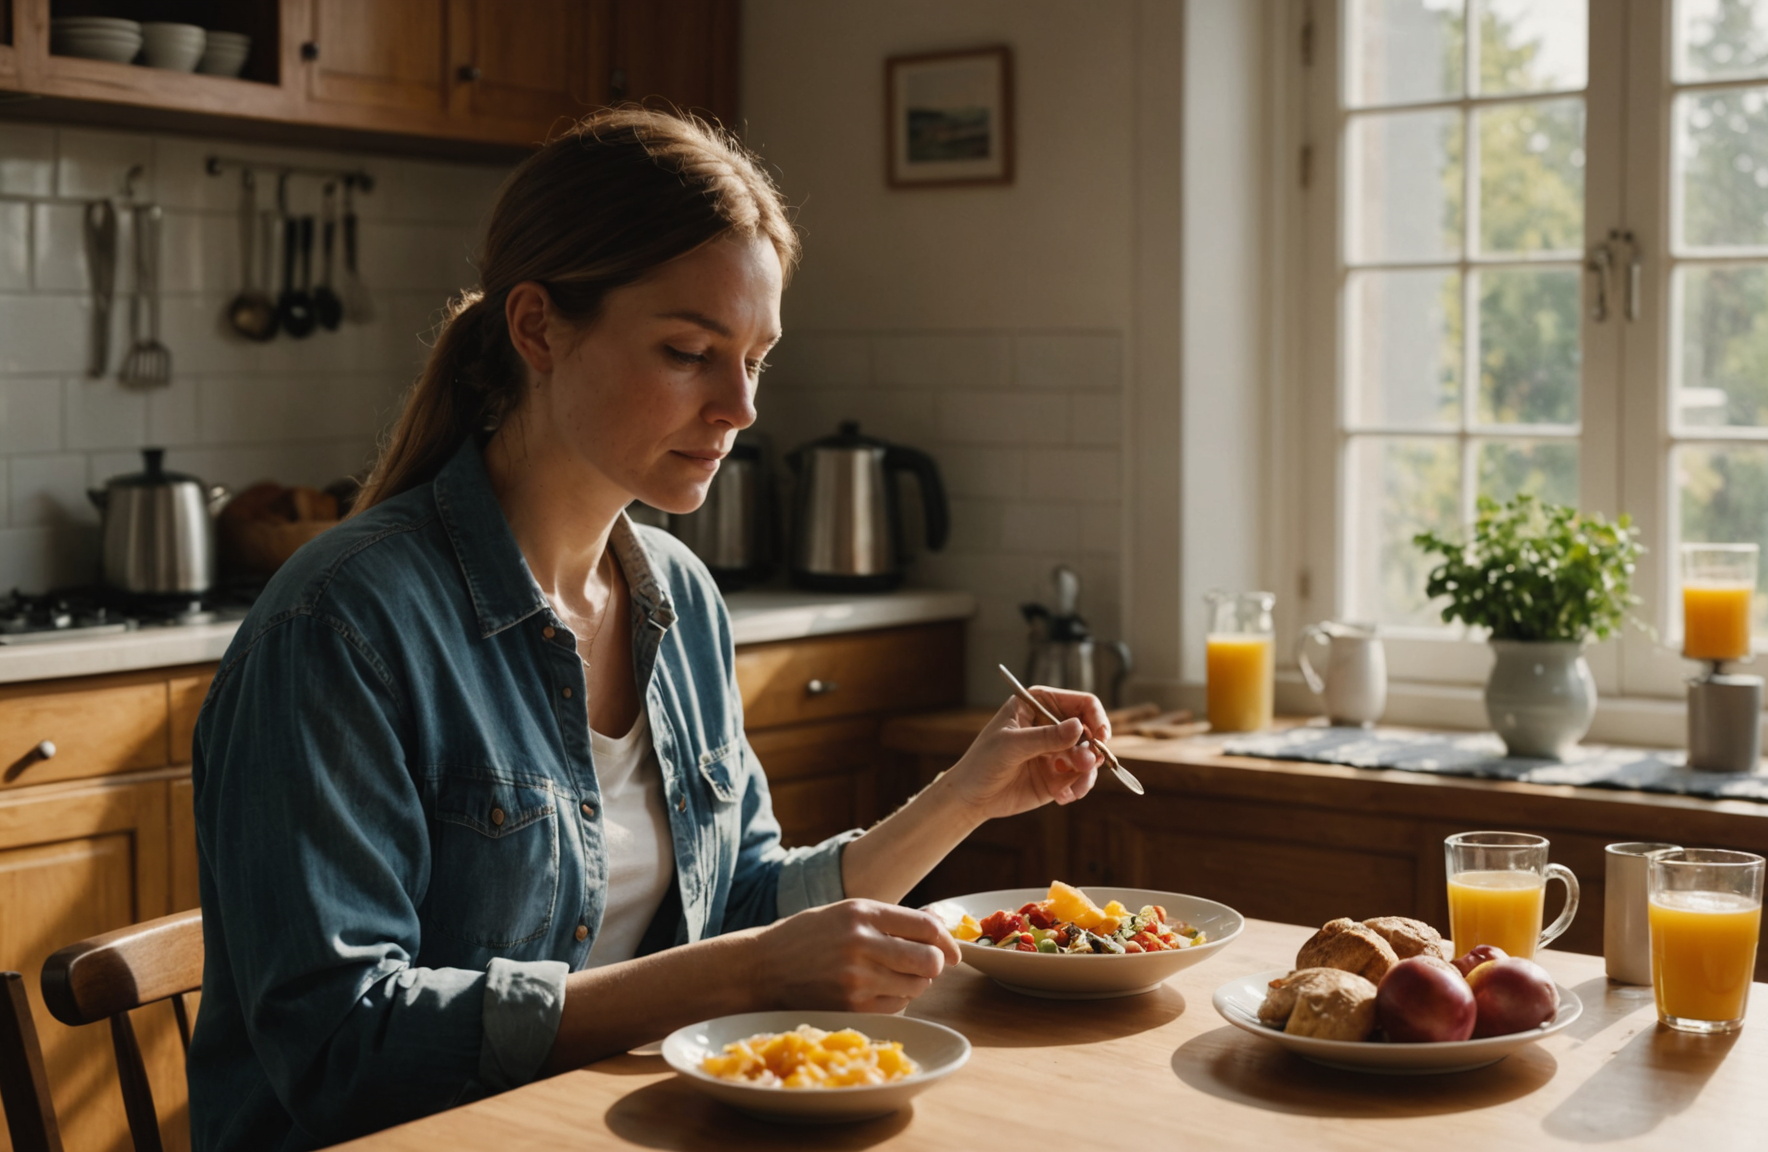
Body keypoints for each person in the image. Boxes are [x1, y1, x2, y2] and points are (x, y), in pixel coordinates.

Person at [188, 107, 1109, 1151]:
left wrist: (966, 796)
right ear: (537, 328)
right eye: (688, 351)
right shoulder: (344, 622)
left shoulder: (677, 595)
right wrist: (746, 974)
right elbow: (336, 1047)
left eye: (756, 358)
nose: (740, 406)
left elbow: (747, 906)